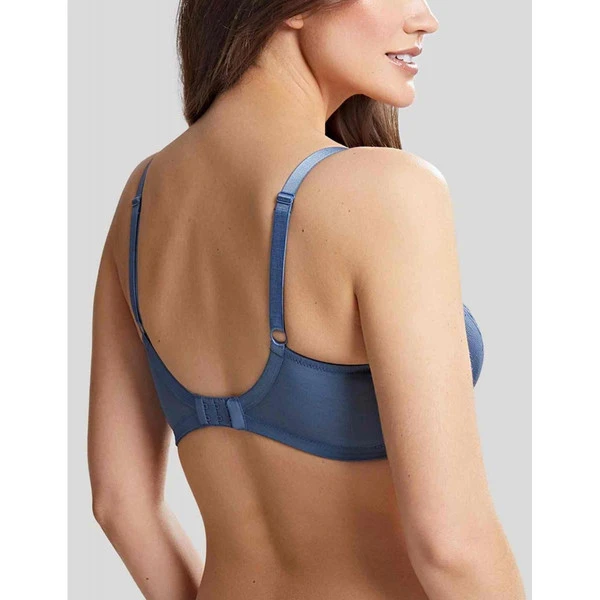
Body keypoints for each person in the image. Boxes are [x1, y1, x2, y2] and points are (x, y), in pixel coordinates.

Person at [88, 0, 526, 598]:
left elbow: (120, 502)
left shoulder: (141, 199)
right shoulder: (386, 193)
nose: (426, 18)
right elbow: (452, 547)